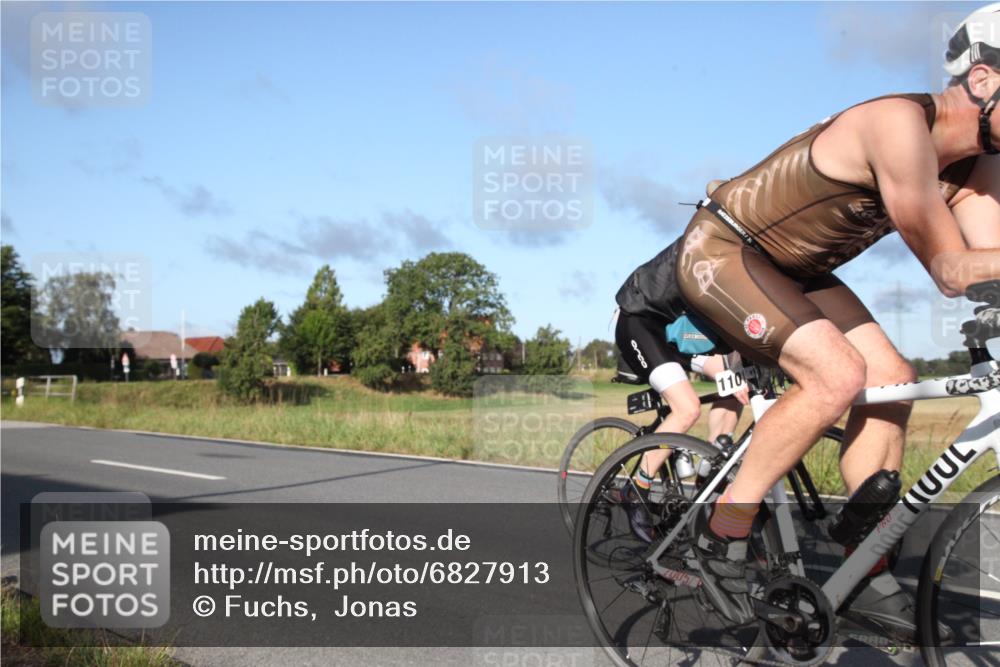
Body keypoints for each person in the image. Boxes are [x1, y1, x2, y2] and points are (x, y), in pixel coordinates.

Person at [640, 4, 1000, 641]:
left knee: (892, 379)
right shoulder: (898, 123)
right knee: (837, 376)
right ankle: (723, 532)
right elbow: (950, 268)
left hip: (798, 270)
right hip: (725, 250)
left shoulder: (978, 167)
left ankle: (863, 565)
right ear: (983, 79)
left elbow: (986, 267)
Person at [614, 231, 749, 543]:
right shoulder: (710, 264)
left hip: (682, 341)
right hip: (642, 326)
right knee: (686, 408)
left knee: (734, 382)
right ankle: (636, 487)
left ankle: (709, 467)